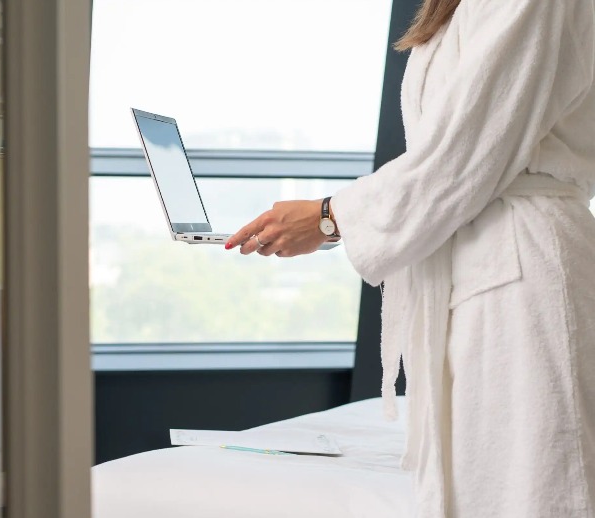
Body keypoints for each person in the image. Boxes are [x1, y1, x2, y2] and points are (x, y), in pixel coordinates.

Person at [226, 0, 595, 516]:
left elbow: (465, 150)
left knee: (539, 487)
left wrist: (331, 216)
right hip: (476, 261)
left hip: (523, 271)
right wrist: (334, 220)